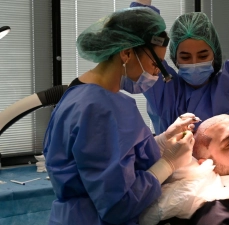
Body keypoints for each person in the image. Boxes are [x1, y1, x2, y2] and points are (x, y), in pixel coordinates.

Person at [43, 7, 199, 225]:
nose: (157, 74)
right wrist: (169, 164)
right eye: (155, 65)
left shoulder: (79, 95)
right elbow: (117, 205)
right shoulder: (100, 108)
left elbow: (111, 157)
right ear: (126, 53)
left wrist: (162, 142)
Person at [123, 0, 229, 135]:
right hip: (172, 166)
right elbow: (142, 40)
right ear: (176, 59)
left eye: (203, 56)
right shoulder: (165, 87)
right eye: (185, 57)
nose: (194, 63)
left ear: (214, 54)